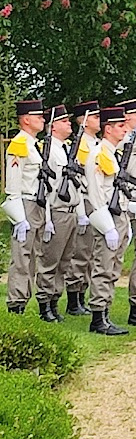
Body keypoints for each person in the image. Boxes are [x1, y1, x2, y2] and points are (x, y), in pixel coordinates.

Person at [85, 106, 133, 335]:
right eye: (120, 126)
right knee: (103, 266)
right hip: (108, 217)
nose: (125, 130)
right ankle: (98, 317)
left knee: (113, 267)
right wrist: (107, 227)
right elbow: (95, 194)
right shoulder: (98, 154)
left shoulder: (113, 154)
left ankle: (106, 312)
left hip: (119, 215)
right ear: (108, 129)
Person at [35, 104, 81, 322]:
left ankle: (55, 301)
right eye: (64, 121)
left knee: (65, 261)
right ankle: (44, 304)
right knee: (50, 261)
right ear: (53, 126)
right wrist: (48, 218)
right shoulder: (48, 151)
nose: (69, 124)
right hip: (57, 211)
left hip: (71, 211)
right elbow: (45, 187)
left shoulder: (67, 149)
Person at [2, 100, 47, 314]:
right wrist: (19, 217)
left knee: (33, 255)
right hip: (25, 204)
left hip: (37, 203)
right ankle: (16, 302)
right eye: (38, 116)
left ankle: (23, 299)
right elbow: (13, 182)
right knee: (22, 255)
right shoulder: (19, 144)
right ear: (26, 120)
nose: (43, 120)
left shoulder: (34, 144)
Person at [64, 100, 101, 316]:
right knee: (81, 251)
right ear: (84, 121)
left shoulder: (97, 144)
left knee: (92, 252)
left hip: (97, 200)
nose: (99, 120)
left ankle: (82, 293)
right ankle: (73, 298)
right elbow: (77, 178)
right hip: (84, 199)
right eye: (95, 117)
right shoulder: (79, 145)